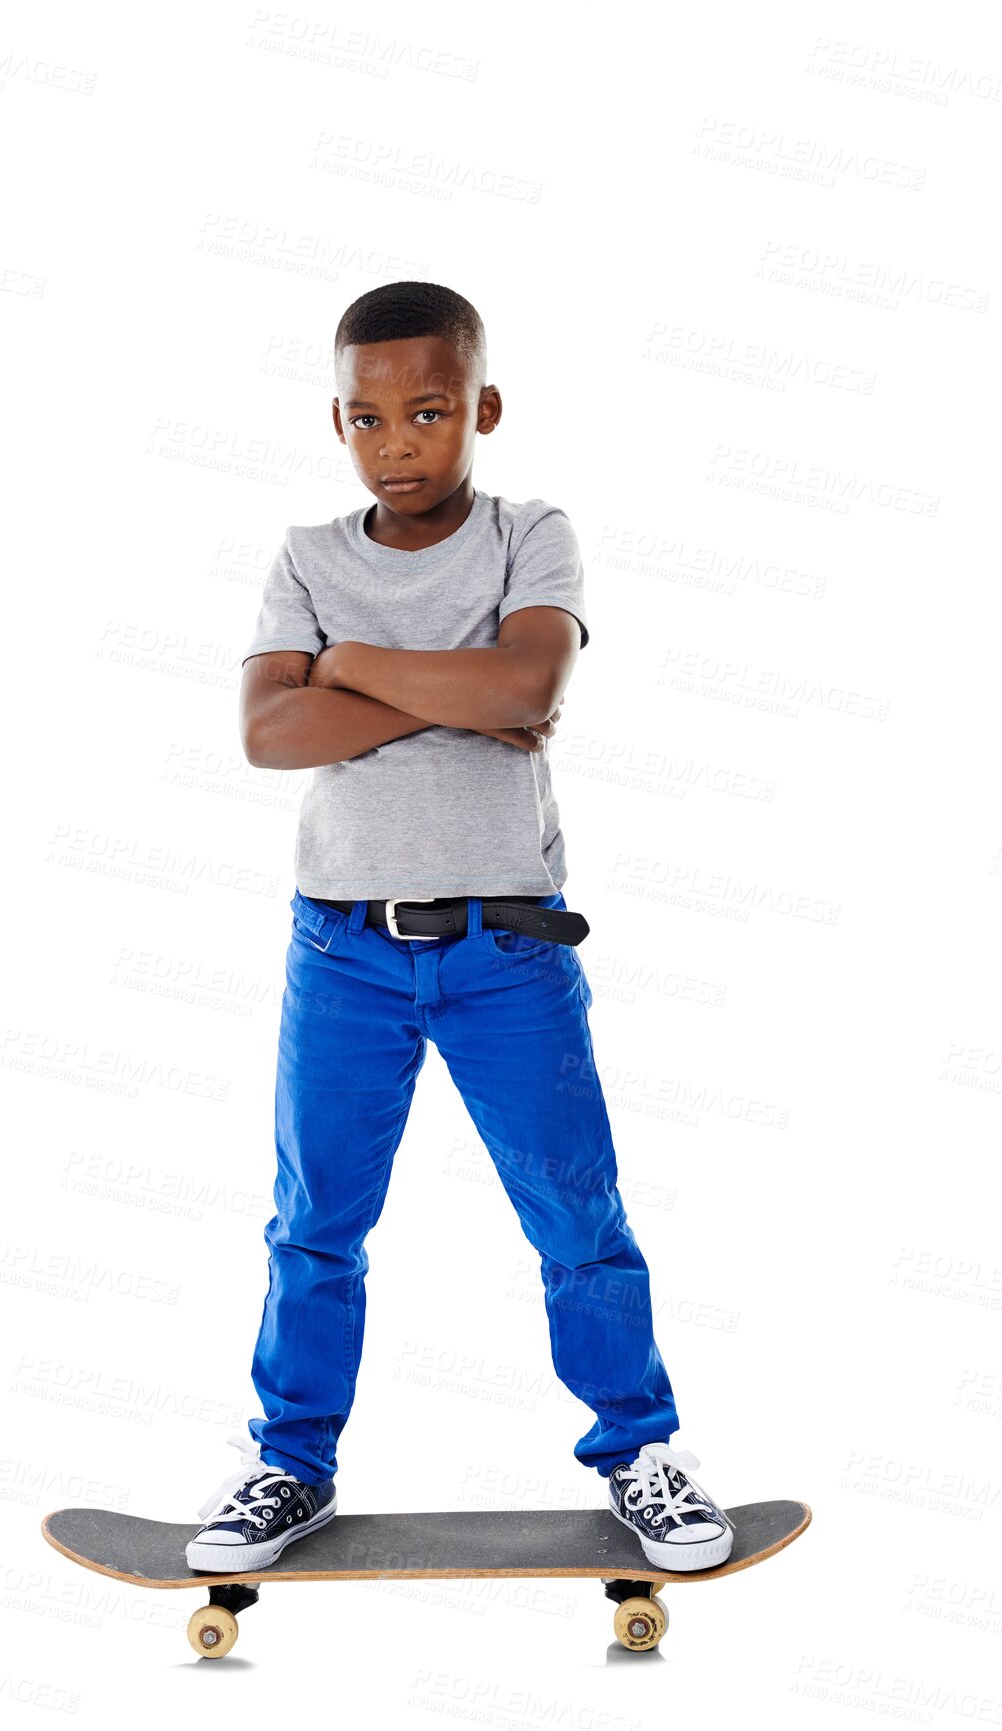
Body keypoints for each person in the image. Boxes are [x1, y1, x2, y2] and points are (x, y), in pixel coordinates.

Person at [186, 282, 733, 1576]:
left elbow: (529, 685)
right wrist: (456, 691)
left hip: (509, 953)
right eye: (369, 418)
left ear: (481, 408)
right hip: (344, 954)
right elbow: (270, 735)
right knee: (315, 1222)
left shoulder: (528, 536)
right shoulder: (308, 558)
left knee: (576, 1214)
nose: (400, 441)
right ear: (339, 423)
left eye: (429, 411)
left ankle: (639, 1447)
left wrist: (354, 664)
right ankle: (289, 1462)